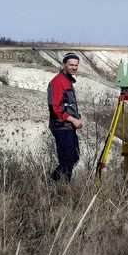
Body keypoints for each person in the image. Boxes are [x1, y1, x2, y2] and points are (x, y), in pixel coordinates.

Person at [47, 53, 84, 182]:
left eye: (76, 65)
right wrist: (73, 120)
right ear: (64, 65)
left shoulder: (68, 80)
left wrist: (78, 117)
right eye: (71, 65)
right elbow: (55, 107)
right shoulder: (58, 81)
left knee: (74, 157)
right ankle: (50, 184)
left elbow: (69, 104)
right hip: (61, 126)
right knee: (67, 159)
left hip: (69, 126)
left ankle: (64, 186)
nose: (74, 67)